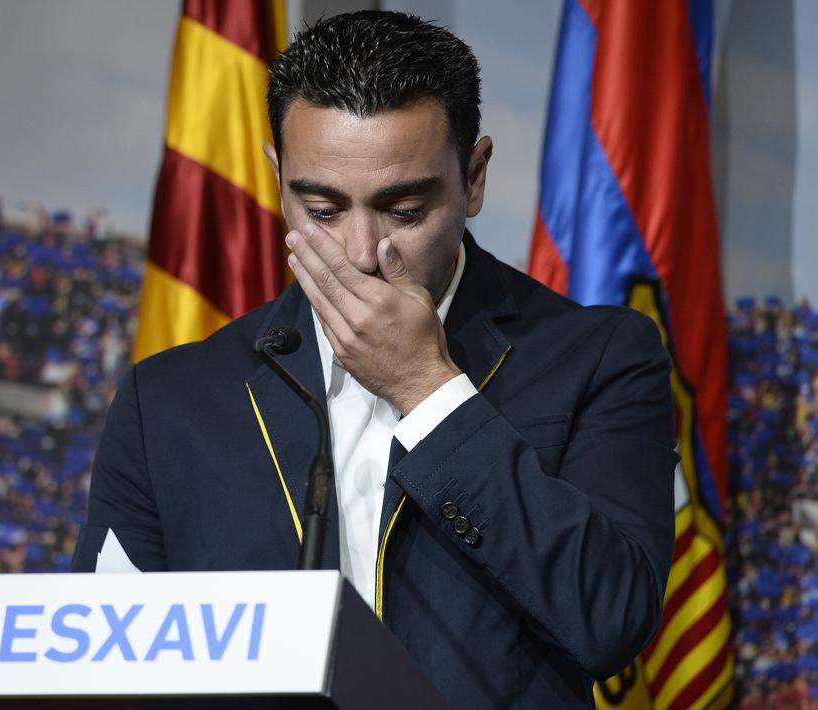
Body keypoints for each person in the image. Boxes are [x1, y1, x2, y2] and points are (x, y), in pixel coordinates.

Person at [73, 10, 676, 708]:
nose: (361, 253)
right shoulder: (167, 401)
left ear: (473, 177)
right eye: (321, 209)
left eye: (404, 210)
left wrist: (427, 387)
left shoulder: (598, 358)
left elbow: (611, 618)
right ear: (276, 176)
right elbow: (106, 664)